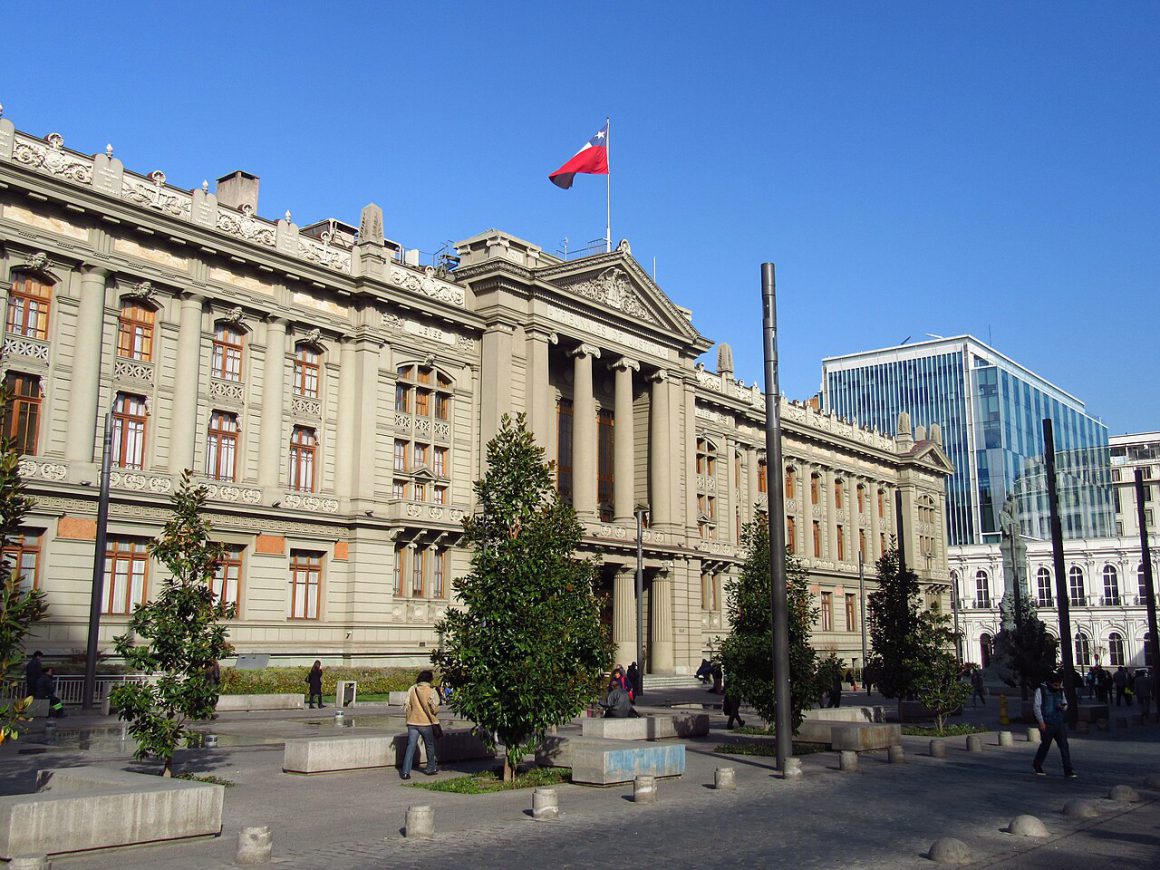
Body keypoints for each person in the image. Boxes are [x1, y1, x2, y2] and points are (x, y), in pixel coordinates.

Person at [1032, 671, 1076, 778]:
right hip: (1047, 723)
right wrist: (1041, 722)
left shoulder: (1060, 691)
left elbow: (1065, 703)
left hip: (1059, 722)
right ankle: (1037, 764)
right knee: (1045, 745)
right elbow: (1037, 706)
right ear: (1050, 683)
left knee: (1064, 746)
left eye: (1059, 685)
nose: (1058, 687)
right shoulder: (1041, 690)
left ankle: (1068, 769)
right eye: (1055, 685)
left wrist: (1063, 707)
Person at [401, 670, 440, 780]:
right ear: (430, 679)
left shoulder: (412, 690)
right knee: (430, 745)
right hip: (425, 723)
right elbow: (435, 709)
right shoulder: (431, 691)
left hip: (412, 722)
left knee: (410, 747)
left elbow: (408, 705)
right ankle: (431, 768)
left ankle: (405, 772)